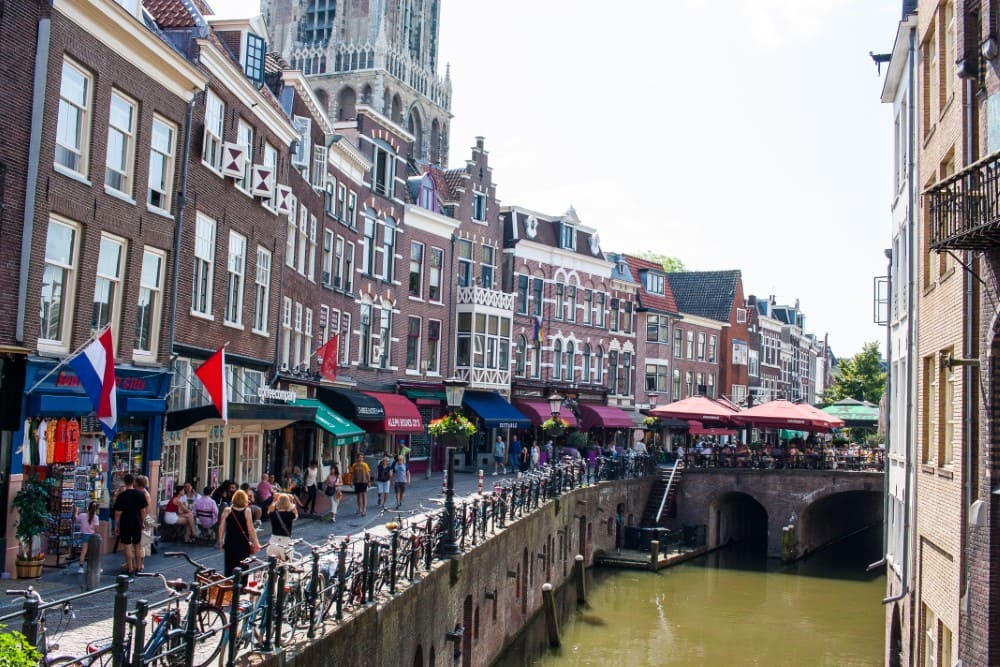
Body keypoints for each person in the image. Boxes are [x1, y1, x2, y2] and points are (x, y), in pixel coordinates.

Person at [218, 489, 260, 576]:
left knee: (229, 565)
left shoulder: (227, 510)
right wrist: (256, 543)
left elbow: (221, 526)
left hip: (230, 542)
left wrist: (221, 541)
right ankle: (242, 583)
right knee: (243, 566)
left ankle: (229, 582)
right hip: (242, 543)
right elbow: (251, 529)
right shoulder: (247, 511)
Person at [112, 473, 147, 577]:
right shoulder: (140, 494)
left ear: (125, 482)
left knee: (127, 546)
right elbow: (143, 510)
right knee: (137, 545)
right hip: (136, 522)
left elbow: (118, 512)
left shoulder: (121, 496)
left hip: (125, 522)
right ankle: (139, 567)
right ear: (133, 482)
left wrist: (116, 525)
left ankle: (130, 568)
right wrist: (142, 522)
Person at [266, 493, 298, 561]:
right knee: (286, 563)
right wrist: (291, 501)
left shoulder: (273, 514)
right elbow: (296, 515)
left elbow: (269, 511)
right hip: (285, 541)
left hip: (273, 540)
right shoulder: (290, 514)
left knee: (273, 563)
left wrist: (274, 500)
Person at [76, 501, 99, 574]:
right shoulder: (96, 517)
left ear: (88, 507)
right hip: (93, 536)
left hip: (85, 535)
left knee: (83, 551)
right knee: (94, 552)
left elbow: (76, 519)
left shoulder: (82, 515)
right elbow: (96, 528)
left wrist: (76, 512)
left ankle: (81, 567)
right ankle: (94, 567)